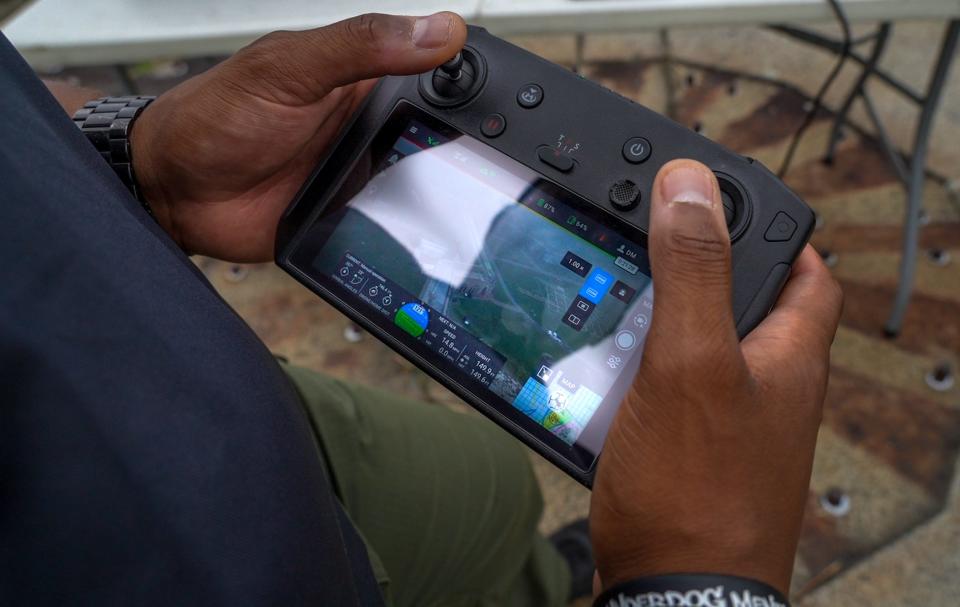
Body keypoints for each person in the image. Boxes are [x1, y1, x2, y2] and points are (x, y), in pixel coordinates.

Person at [0, 11, 842, 607]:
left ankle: (542, 581)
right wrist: (694, 577)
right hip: (217, 568)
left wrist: (134, 158)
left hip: (219, 399)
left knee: (494, 483)